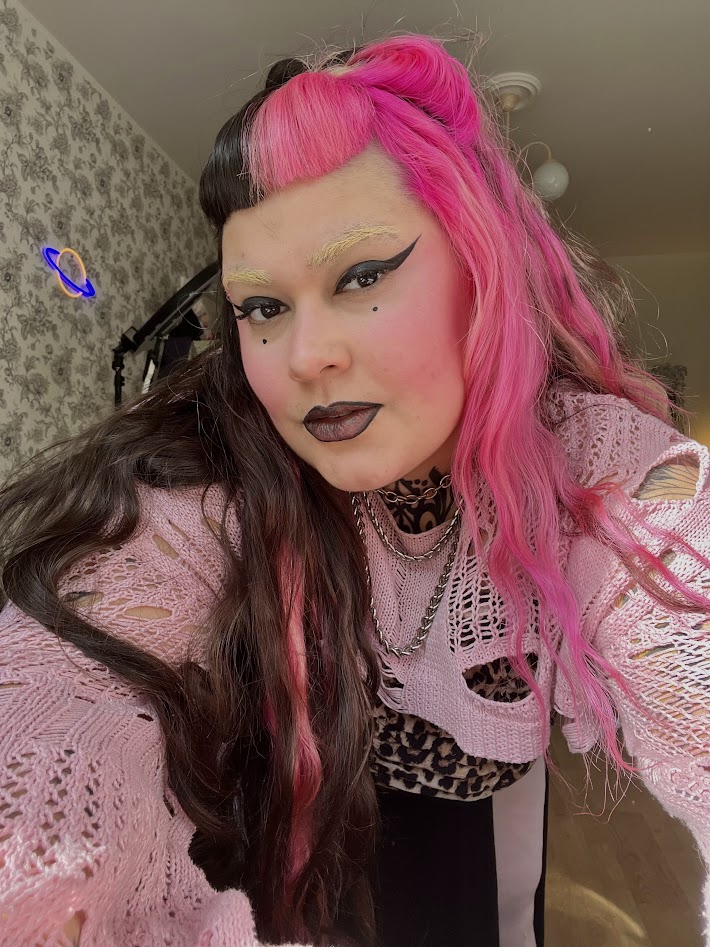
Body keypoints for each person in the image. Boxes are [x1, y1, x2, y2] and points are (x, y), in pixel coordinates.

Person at [0, 33, 709, 947]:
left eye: (363, 275)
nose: (305, 357)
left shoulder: (590, 461)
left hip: (489, 809)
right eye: (262, 308)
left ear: (484, 268)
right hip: (305, 817)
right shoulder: (219, 477)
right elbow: (59, 689)